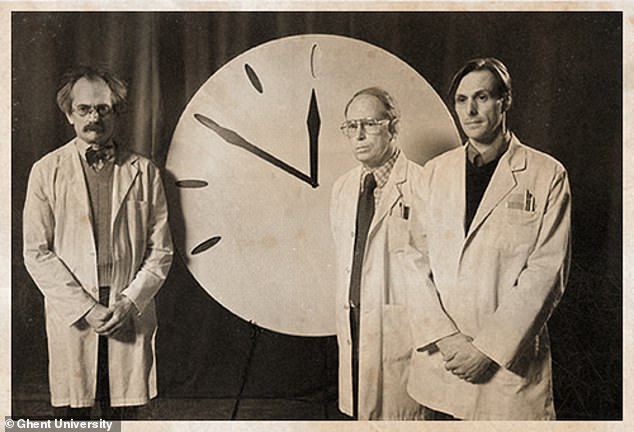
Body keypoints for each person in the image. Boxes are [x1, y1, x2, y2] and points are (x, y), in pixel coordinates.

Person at [405, 57, 571, 420]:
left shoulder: (546, 174)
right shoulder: (434, 173)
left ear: (505, 101)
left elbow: (546, 274)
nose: (471, 109)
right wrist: (447, 339)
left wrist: (487, 351)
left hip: (507, 370)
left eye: (481, 97)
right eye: (462, 100)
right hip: (442, 365)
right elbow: (413, 261)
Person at [23, 65, 174, 420]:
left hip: (126, 311)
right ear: (68, 114)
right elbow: (36, 251)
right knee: (73, 415)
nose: (94, 117)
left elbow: (161, 250)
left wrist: (128, 302)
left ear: (117, 112)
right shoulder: (46, 170)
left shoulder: (145, 171)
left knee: (123, 413)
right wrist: (87, 308)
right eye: (84, 109)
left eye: (103, 108)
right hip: (75, 312)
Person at [330, 87, 426, 420]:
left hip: (403, 332)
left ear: (393, 127)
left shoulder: (423, 185)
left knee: (401, 418)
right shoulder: (342, 188)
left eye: (369, 123)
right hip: (355, 325)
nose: (358, 134)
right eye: (350, 125)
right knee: (360, 415)